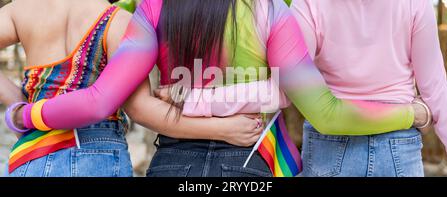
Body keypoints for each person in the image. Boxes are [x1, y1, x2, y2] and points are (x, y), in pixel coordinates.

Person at [7, 0, 429, 177]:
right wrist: (413, 113)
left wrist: (23, 113)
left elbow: (131, 105)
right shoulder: (270, 11)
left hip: (174, 163)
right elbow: (327, 114)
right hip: (250, 164)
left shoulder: (153, 8)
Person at [0, 0, 262, 177]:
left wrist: (20, 105)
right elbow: (136, 106)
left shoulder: (21, 9)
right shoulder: (119, 22)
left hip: (31, 151)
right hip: (98, 149)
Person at [286, 0, 447, 176]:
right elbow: (436, 88)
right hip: (398, 143)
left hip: (331, 140)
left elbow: (294, 81)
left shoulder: (308, 3)